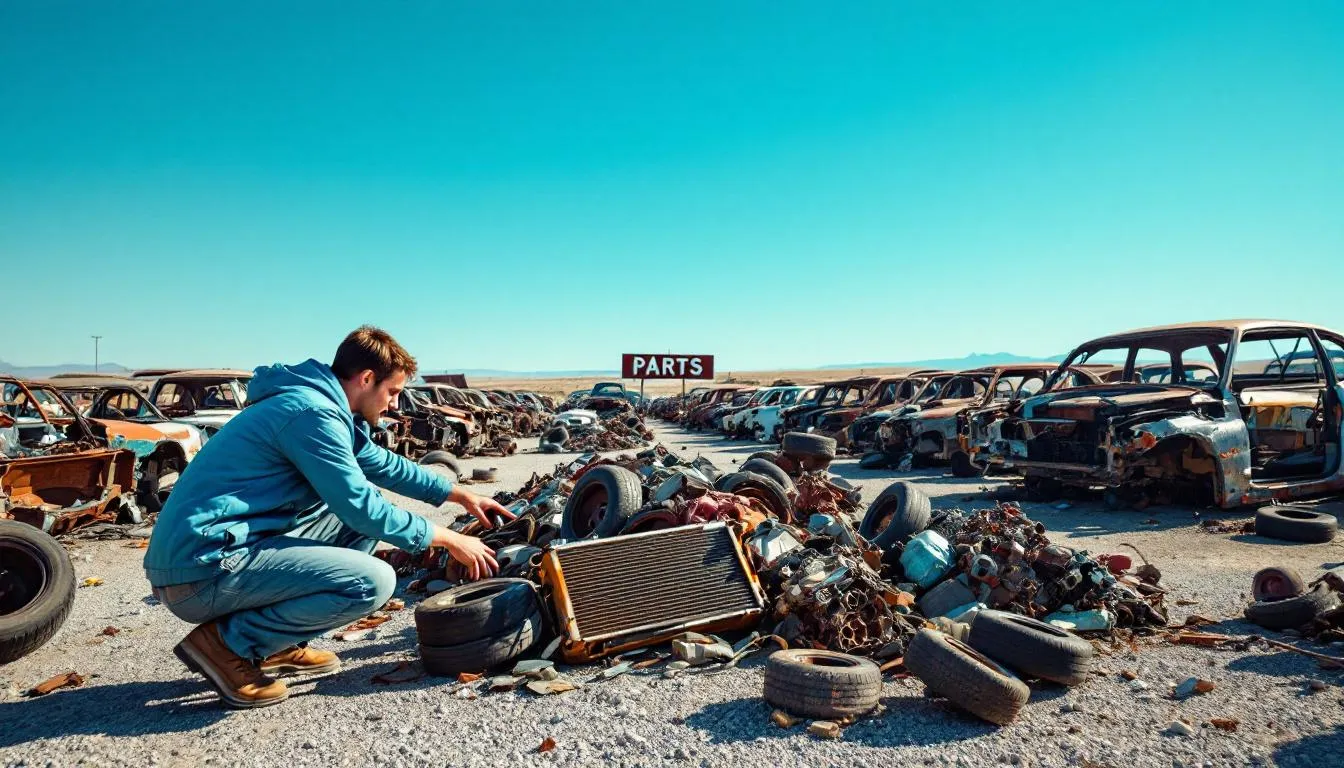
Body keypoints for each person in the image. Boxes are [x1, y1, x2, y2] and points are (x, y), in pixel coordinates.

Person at [143, 326, 512, 708]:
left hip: (218, 552)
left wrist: (461, 495)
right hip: (202, 569)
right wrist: (449, 538)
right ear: (367, 378)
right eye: (393, 392)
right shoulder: (311, 415)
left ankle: (274, 646)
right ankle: (226, 645)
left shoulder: (324, 408)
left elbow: (383, 465)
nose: (395, 405)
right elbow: (361, 508)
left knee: (352, 526)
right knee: (373, 581)